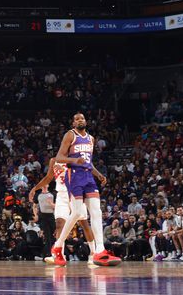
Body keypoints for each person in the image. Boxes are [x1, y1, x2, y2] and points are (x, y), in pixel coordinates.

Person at [48, 112, 120, 266]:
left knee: (96, 211)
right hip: (74, 175)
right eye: (77, 119)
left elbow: (88, 162)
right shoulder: (70, 135)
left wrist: (99, 174)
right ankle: (58, 245)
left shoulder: (91, 139)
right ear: (73, 123)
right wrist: (74, 160)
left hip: (88, 176)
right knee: (77, 213)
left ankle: (100, 251)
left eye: (83, 118)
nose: (80, 120)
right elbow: (59, 158)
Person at [27, 156, 69, 263]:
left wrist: (52, 204)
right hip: (43, 215)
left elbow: (56, 205)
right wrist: (36, 215)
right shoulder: (39, 195)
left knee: (59, 231)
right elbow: (34, 205)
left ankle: (93, 251)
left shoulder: (52, 194)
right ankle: (53, 254)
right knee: (48, 236)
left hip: (52, 215)